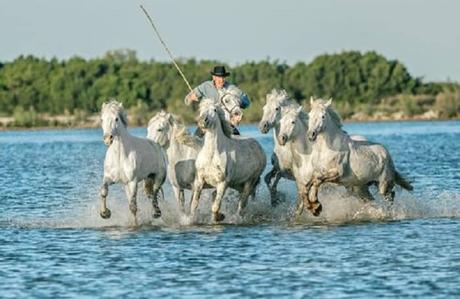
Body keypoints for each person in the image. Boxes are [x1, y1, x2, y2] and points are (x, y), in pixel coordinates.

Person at [184, 66, 250, 135]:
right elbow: (186, 100)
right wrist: (191, 98)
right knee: (196, 138)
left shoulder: (231, 88)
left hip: (226, 124)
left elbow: (247, 102)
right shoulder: (205, 86)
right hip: (207, 122)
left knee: (237, 138)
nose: (221, 80)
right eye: (219, 77)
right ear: (214, 77)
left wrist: (237, 103)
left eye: (223, 77)